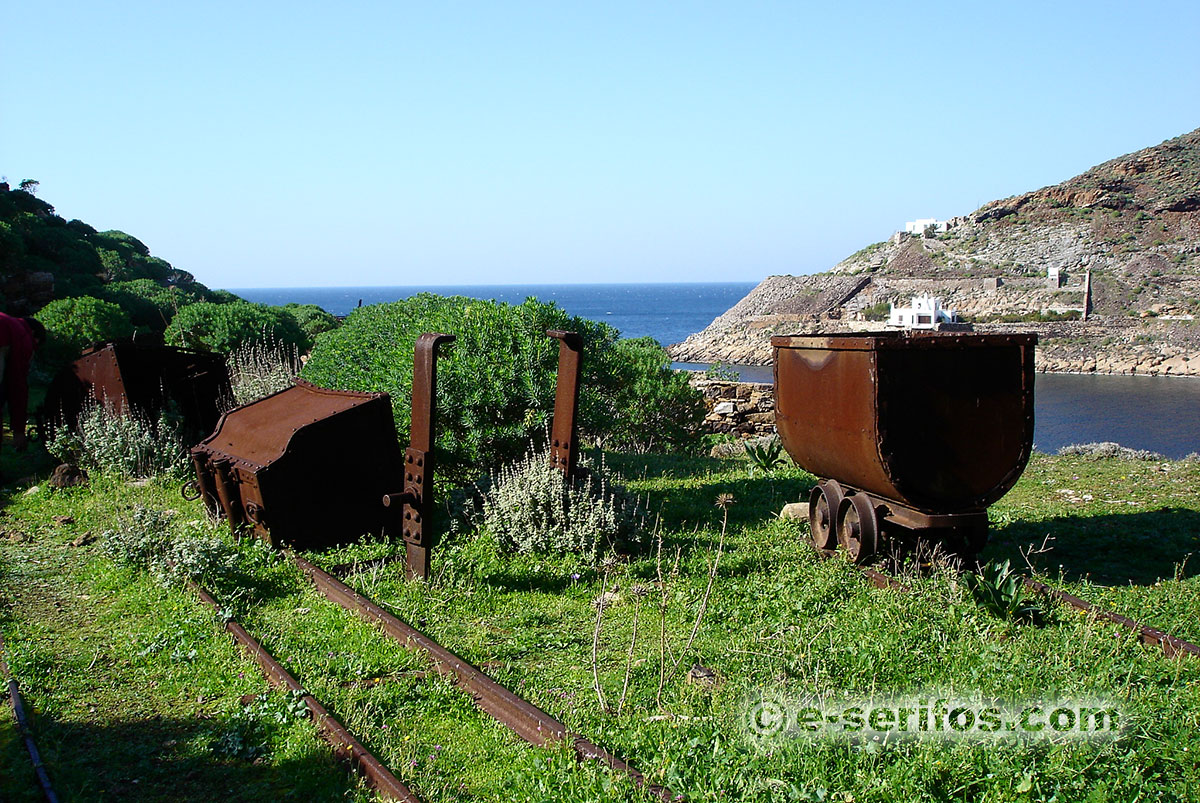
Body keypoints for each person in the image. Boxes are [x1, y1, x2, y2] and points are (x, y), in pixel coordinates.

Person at [0, 313, 45, 455]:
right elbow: (17, 385)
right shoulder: (24, 335)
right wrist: (19, 431)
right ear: (34, 335)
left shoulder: (8, 322)